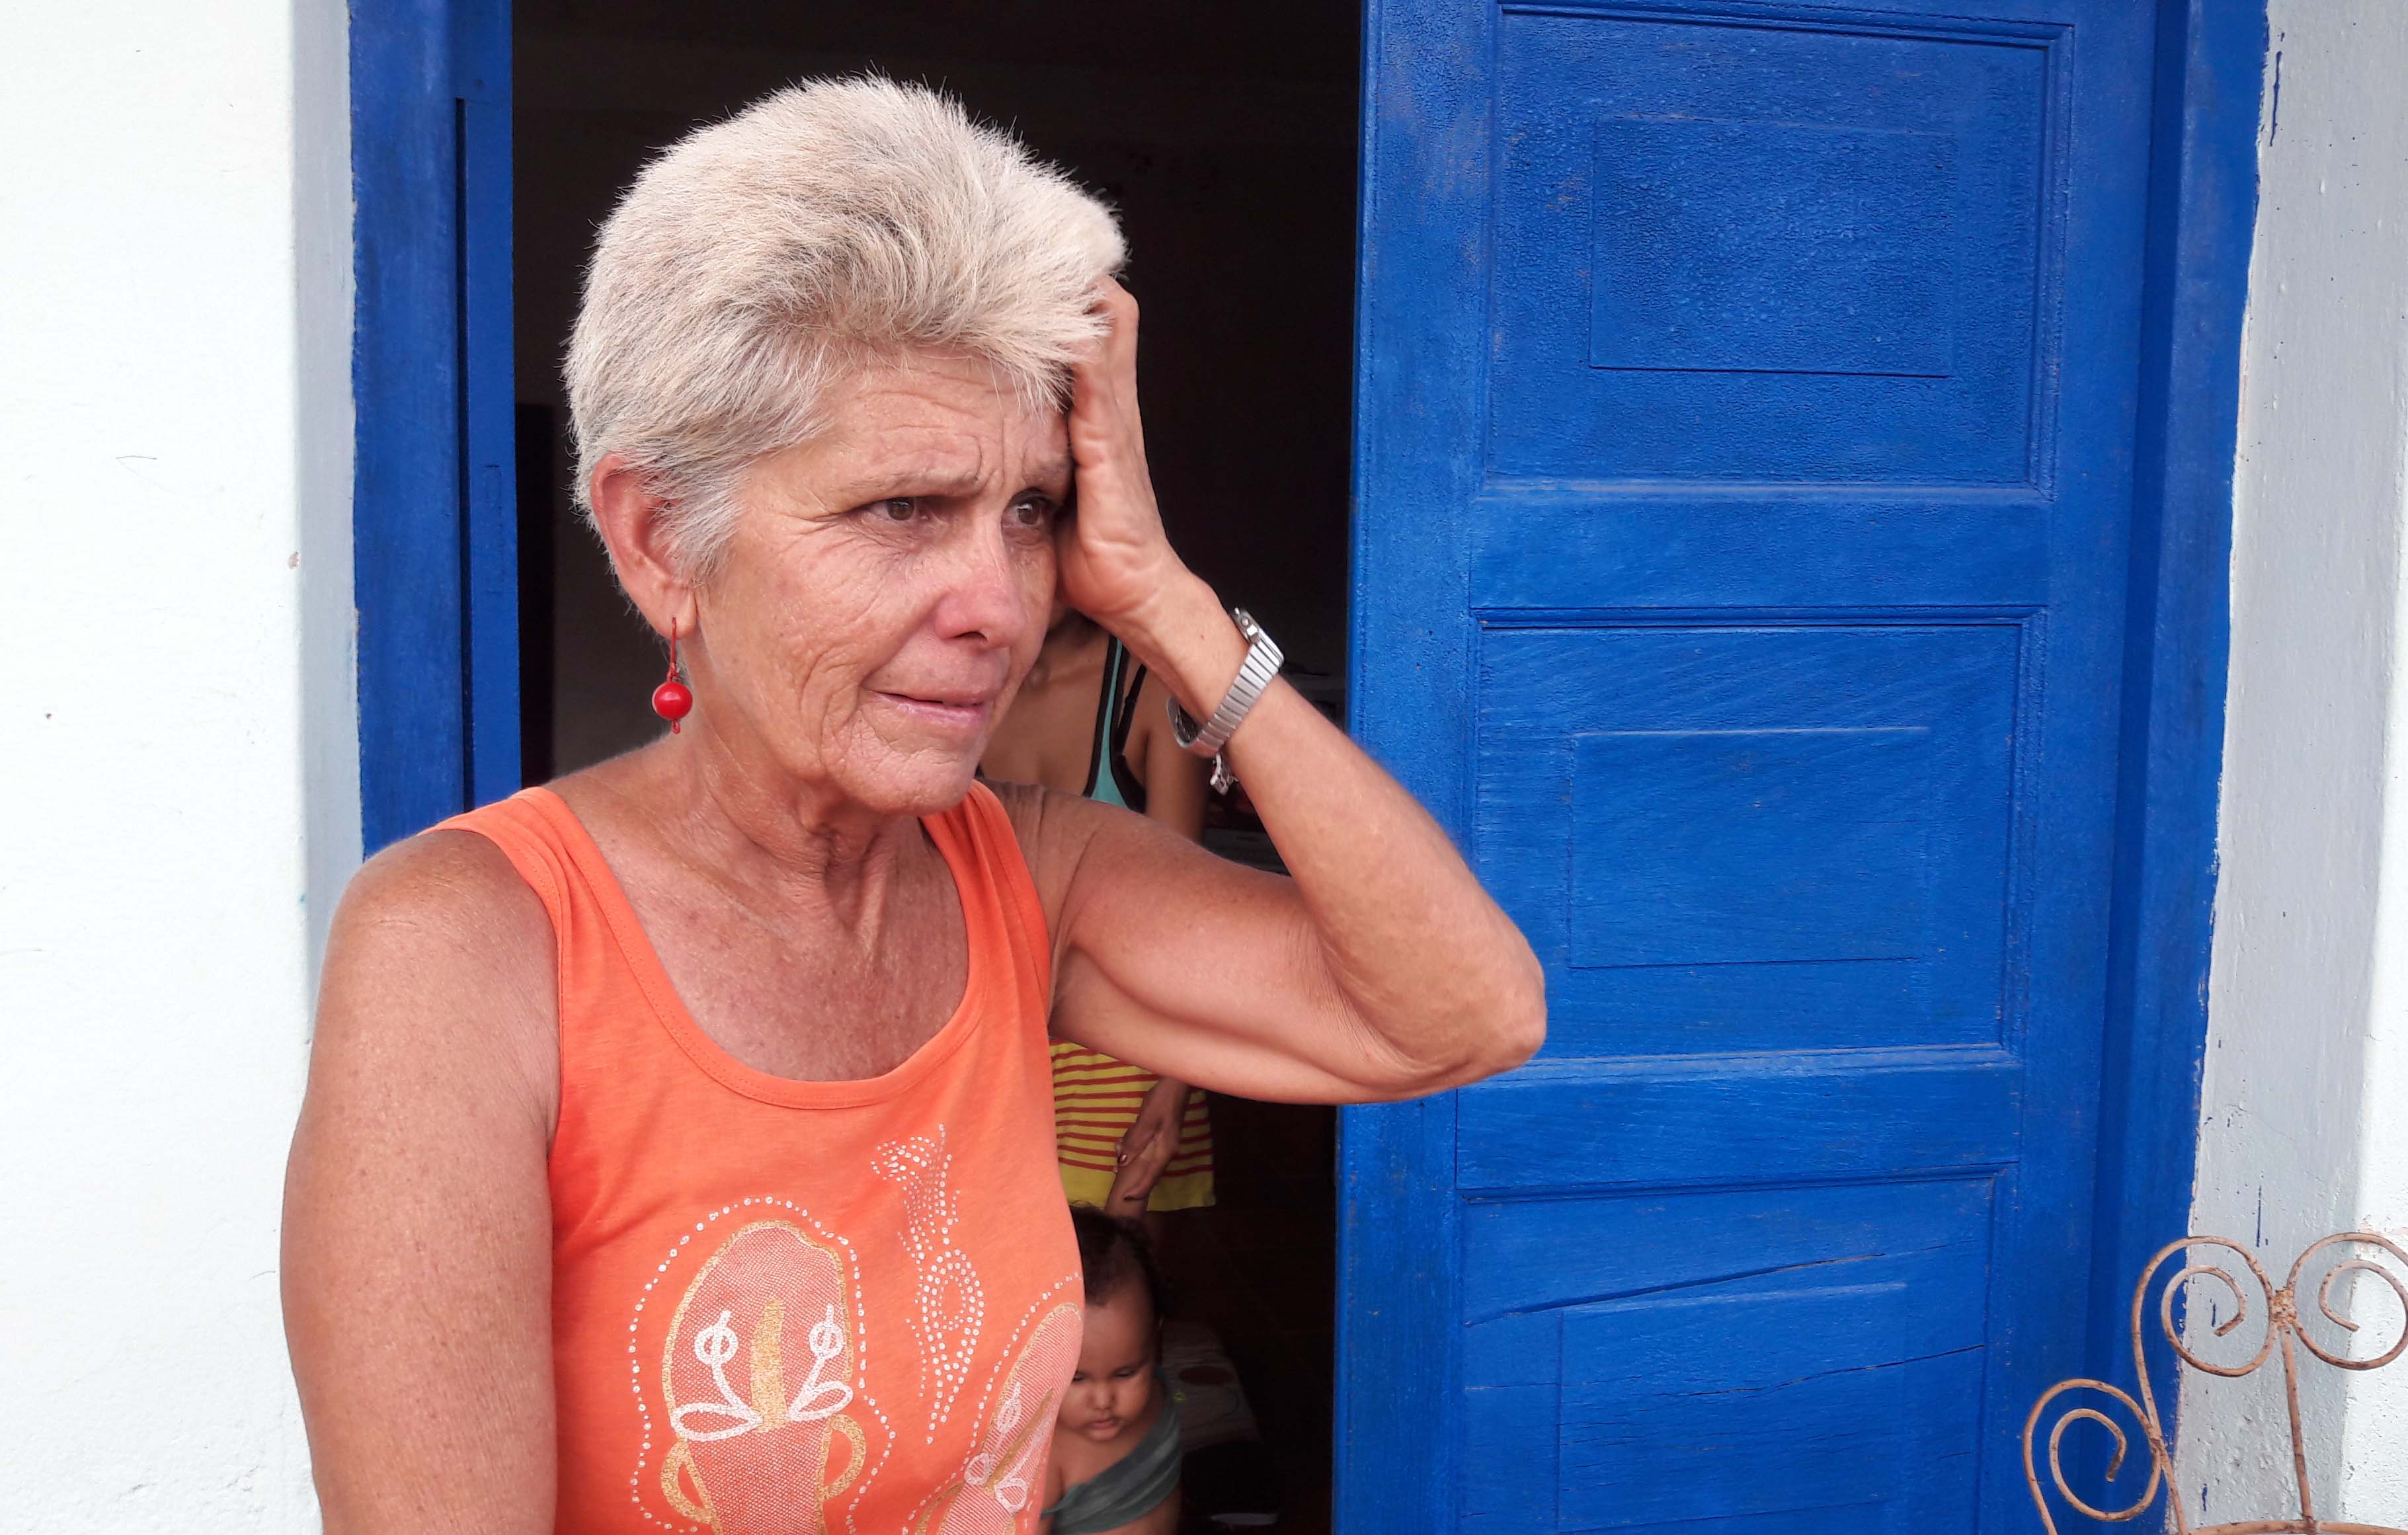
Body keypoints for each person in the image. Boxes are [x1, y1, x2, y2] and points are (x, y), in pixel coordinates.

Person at [280, 76, 1543, 1534]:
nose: (1000, 606)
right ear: (655, 543)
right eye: (901, 512)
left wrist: (1166, 601)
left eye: (1027, 511)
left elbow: (1468, 1014)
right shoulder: (471, 949)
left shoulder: (1034, 872)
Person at [981, 604, 1217, 1221]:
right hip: (996, 1048)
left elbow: (1186, 920)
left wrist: (1173, 1091)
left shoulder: (1147, 690)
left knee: (1115, 1299)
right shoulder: (964, 688)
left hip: (1129, 1059)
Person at [1043, 1207, 1180, 1535]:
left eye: (1125, 1373)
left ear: (1153, 1339)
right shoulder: (1044, 1458)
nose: (1104, 1400)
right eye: (1077, 1378)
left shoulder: (1152, 1385)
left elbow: (1123, 1252)